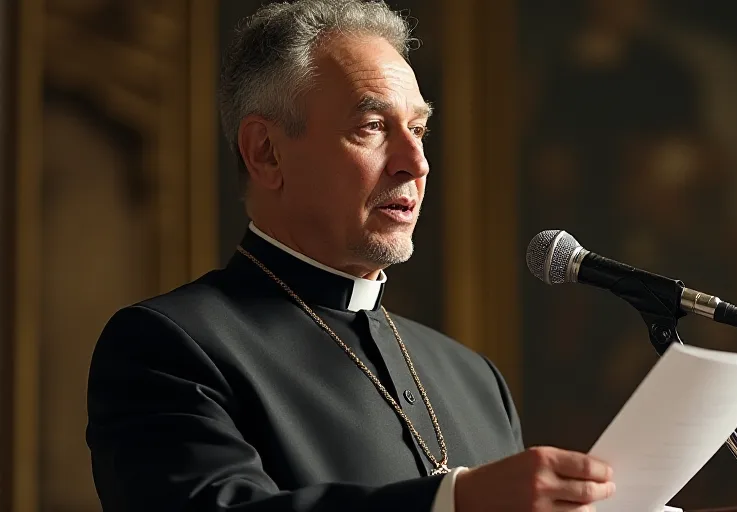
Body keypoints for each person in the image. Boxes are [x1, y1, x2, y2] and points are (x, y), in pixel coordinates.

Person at [85, 1, 616, 510]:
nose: (416, 163)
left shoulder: (476, 380)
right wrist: (454, 503)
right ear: (266, 152)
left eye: (418, 129)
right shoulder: (168, 346)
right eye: (373, 128)